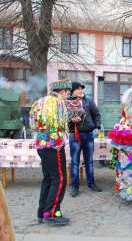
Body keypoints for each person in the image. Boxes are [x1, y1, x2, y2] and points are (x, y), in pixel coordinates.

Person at [29, 79, 71, 225]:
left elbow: (34, 123)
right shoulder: (57, 103)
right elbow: (61, 124)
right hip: (53, 144)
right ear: (62, 91)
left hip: (41, 143)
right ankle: (52, 212)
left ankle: (42, 212)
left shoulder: (40, 102)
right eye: (67, 92)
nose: (68, 95)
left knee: (48, 178)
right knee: (59, 178)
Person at [68, 82, 102, 197]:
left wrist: (97, 127)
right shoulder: (67, 103)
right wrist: (71, 121)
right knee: (75, 162)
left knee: (89, 161)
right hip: (74, 135)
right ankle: (74, 186)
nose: (80, 90)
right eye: (77, 89)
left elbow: (96, 114)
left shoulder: (89, 101)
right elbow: (63, 118)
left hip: (88, 134)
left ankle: (91, 183)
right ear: (72, 90)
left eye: (80, 89)